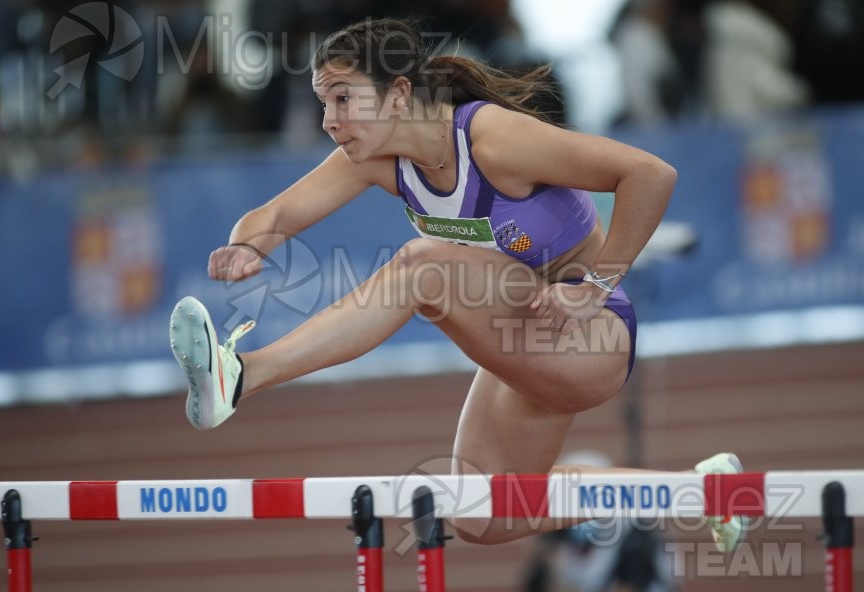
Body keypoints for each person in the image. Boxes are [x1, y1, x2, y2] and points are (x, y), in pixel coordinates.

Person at [168, 17, 745, 551]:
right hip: (522, 341)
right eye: (324, 103)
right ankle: (701, 491)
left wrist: (595, 284)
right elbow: (271, 218)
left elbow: (648, 174)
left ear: (397, 93)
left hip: (590, 336)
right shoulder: (375, 157)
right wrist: (245, 245)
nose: (328, 121)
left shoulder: (492, 140)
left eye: (343, 99)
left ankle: (243, 375)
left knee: (424, 268)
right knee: (483, 512)